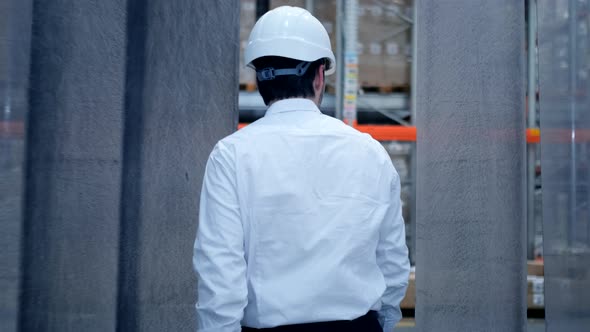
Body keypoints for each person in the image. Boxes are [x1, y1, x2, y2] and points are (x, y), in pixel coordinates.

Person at [193, 6, 409, 332]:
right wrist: (385, 322)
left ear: (259, 78)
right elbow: (392, 263)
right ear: (320, 75)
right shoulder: (370, 154)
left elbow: (220, 278)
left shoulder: (231, 156)